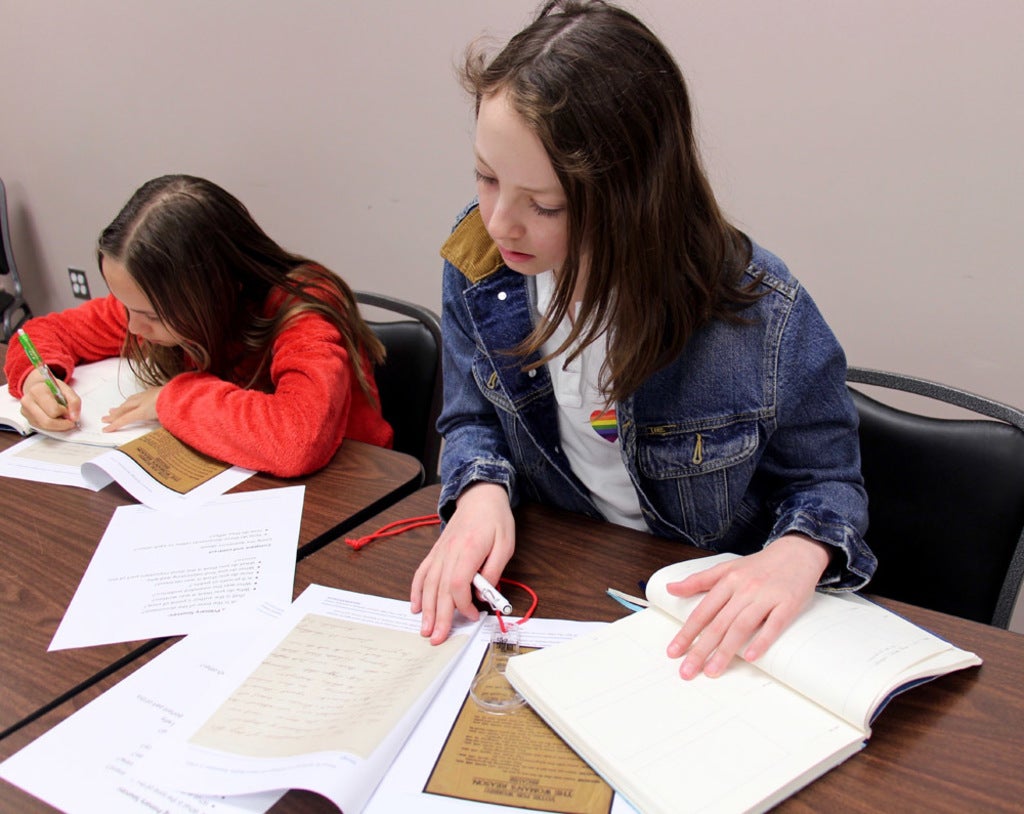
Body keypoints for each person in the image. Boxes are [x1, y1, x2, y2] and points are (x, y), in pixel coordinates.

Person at [411, 0, 876, 679]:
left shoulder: (758, 315)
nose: (499, 221)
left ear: (635, 199)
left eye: (544, 205)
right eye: (486, 176)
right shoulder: (481, 264)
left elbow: (827, 481)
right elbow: (470, 417)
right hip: (562, 592)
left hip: (705, 623)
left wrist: (799, 552)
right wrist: (479, 491)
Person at [5, 174, 393, 477]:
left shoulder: (305, 308)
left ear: (214, 291)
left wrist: (171, 398)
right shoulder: (151, 305)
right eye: (126, 307)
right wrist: (40, 378)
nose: (134, 328)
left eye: (152, 316)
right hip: (238, 478)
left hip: (348, 492)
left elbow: (298, 439)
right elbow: (40, 334)